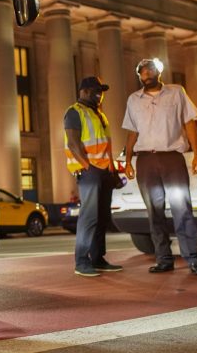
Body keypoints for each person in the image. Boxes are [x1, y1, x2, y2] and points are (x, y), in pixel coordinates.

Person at [122, 58, 197, 276]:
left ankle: (193, 258)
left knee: (181, 207)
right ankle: (164, 259)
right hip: (145, 162)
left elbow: (189, 124)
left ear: (158, 72)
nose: (146, 74)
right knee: (154, 211)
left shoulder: (177, 92)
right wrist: (127, 160)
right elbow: (132, 132)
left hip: (172, 159)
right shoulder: (133, 100)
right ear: (139, 76)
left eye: (149, 70)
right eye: (142, 72)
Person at [64, 76, 123, 277]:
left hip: (105, 171)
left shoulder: (99, 114)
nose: (100, 95)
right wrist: (87, 167)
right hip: (90, 172)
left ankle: (98, 258)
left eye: (102, 91)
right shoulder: (74, 112)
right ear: (84, 91)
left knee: (101, 217)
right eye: (96, 91)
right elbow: (73, 143)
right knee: (88, 218)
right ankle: (81, 261)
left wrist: (112, 168)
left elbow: (105, 144)